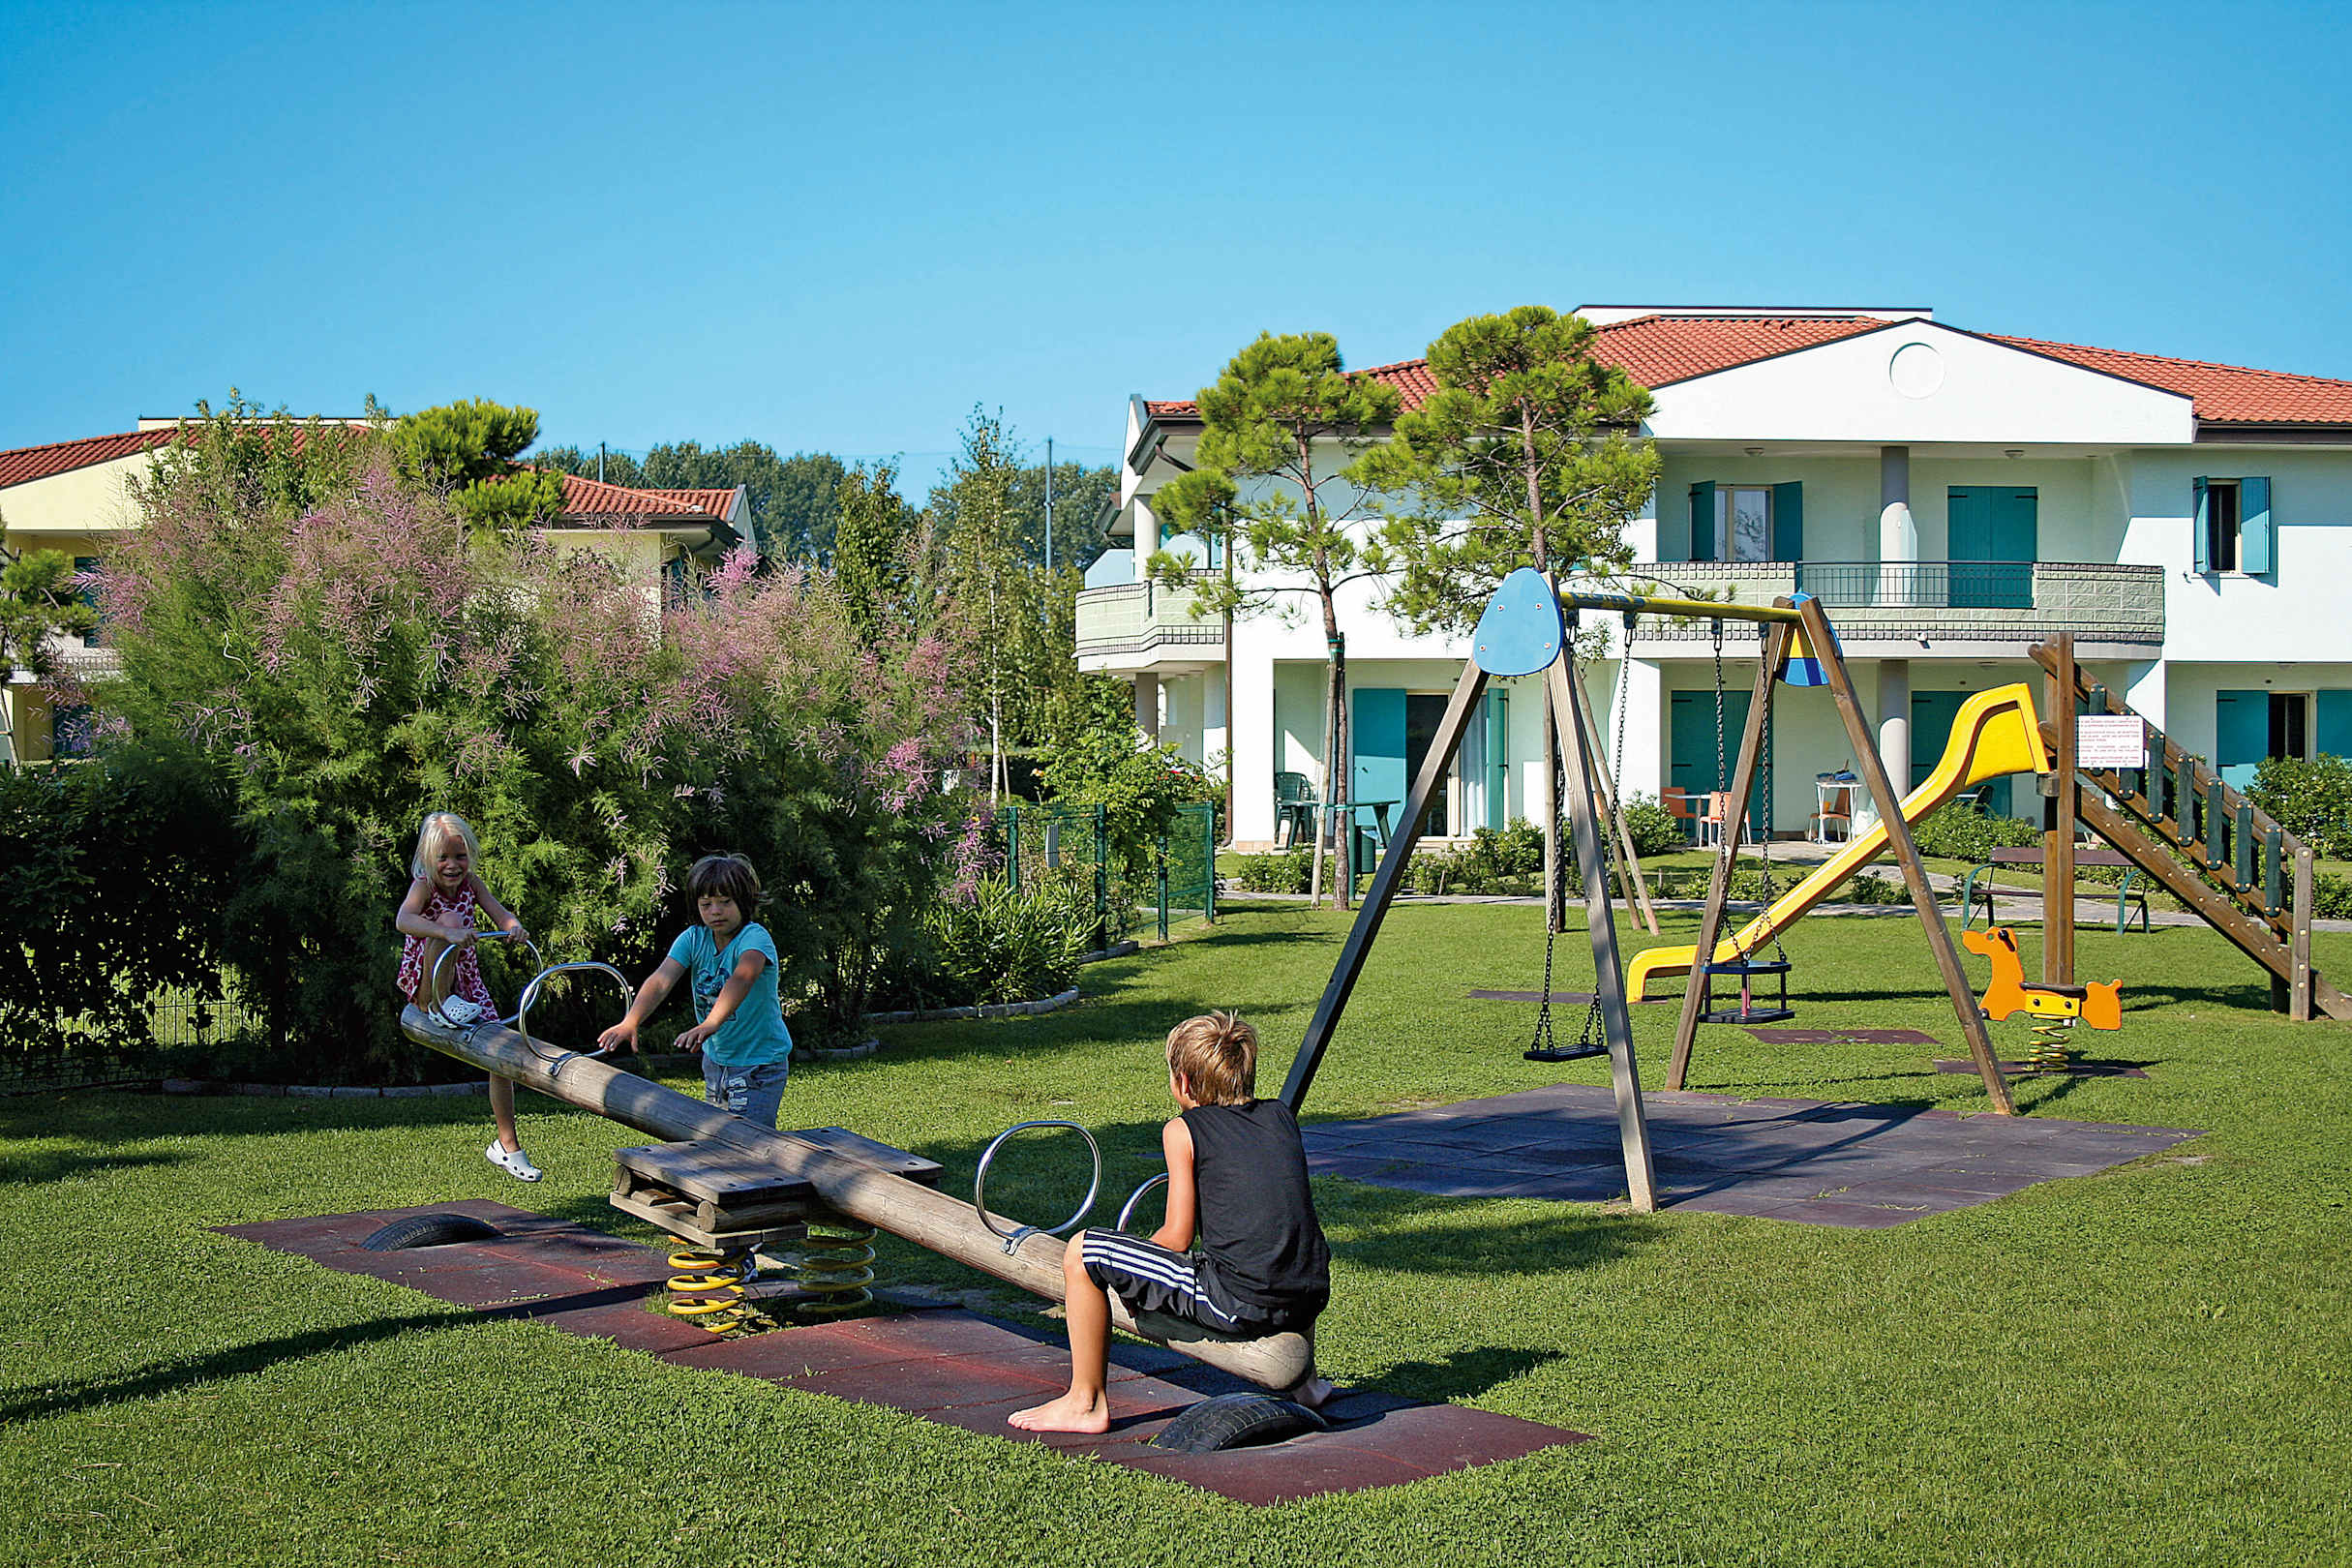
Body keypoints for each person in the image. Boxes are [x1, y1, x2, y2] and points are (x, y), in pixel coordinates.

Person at [1009, 1011, 1333, 1434]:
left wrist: (1135, 1270)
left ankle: (1085, 1402)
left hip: (1236, 1301)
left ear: (1184, 1082)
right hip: (1309, 1294)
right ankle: (1307, 1386)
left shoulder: (1183, 1130)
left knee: (1084, 1250)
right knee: (1284, 1241)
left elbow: (1177, 1237)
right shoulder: (1281, 1117)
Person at [597, 854, 795, 1129]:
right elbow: (661, 980)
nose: (715, 911)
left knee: (750, 1140)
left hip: (759, 1064)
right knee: (717, 1134)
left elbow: (742, 978)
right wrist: (631, 1021)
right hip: (716, 1061)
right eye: (706, 904)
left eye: (725, 902)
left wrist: (711, 1023)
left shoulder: (755, 938)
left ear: (744, 901)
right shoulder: (693, 938)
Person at [395, 811, 539, 1181]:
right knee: (450, 921)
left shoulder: (472, 884)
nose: (452, 865)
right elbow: (403, 920)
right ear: (428, 858)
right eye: (443, 857)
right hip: (427, 981)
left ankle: (508, 1146)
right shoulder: (424, 885)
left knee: (499, 1055)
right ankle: (436, 1005)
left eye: (460, 856)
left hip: (465, 983)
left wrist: (514, 927)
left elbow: (500, 913)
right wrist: (446, 932)